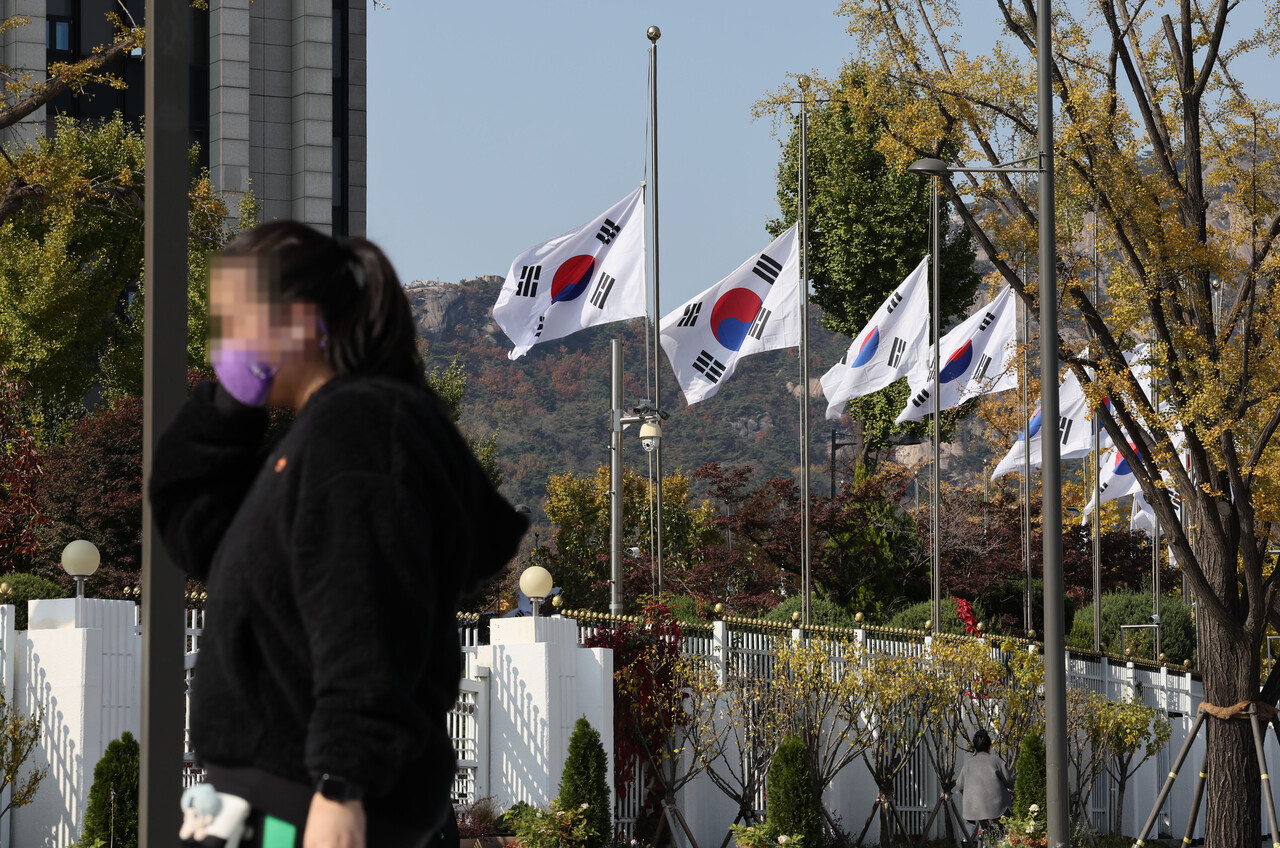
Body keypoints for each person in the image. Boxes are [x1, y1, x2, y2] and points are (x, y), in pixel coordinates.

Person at [151, 221, 527, 848]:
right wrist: (226, 407)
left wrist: (343, 783)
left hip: (307, 807)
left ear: (299, 321)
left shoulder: (360, 431)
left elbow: (366, 613)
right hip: (265, 801)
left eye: (238, 320)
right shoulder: (318, 436)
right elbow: (197, 537)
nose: (226, 341)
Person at [955, 729, 1014, 838]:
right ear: (990, 746)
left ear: (975, 747)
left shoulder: (967, 764)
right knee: (1006, 825)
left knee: (985, 828)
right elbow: (1010, 783)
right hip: (998, 808)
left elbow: (959, 785)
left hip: (973, 809)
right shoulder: (997, 761)